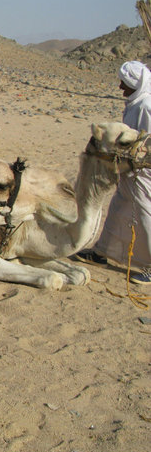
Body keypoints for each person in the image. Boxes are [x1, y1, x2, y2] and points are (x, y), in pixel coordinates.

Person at [75, 60, 151, 284]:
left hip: (143, 170)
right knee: (118, 208)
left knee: (146, 214)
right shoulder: (136, 103)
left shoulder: (146, 105)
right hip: (130, 169)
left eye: (124, 83)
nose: (120, 87)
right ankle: (102, 252)